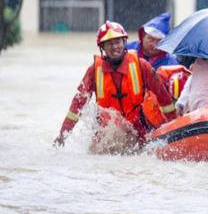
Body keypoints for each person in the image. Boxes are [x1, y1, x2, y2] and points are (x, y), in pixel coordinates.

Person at [54, 21, 177, 150]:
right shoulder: (94, 71)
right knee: (96, 152)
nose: (114, 47)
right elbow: (76, 107)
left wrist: (174, 127)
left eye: (117, 42)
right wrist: (63, 135)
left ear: (124, 42)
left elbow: (164, 100)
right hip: (106, 132)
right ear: (102, 47)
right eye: (109, 43)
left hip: (139, 130)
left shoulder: (142, 66)